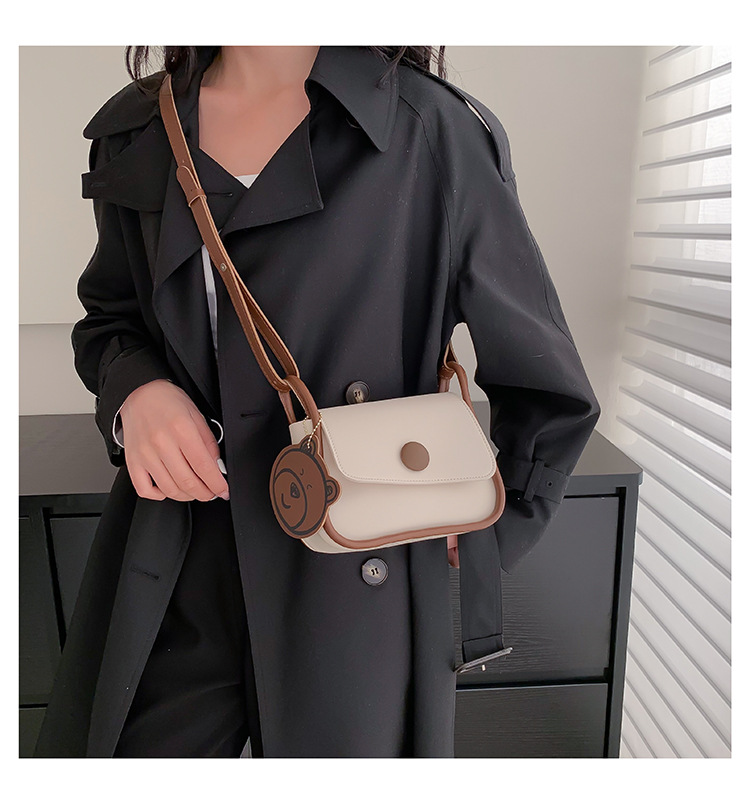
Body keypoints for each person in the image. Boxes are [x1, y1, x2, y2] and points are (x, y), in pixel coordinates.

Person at [34, 45, 601, 758]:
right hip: (180, 545)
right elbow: (111, 316)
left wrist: (493, 523)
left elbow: (544, 373)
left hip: (358, 562)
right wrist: (137, 393)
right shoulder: (142, 125)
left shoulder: (428, 128)